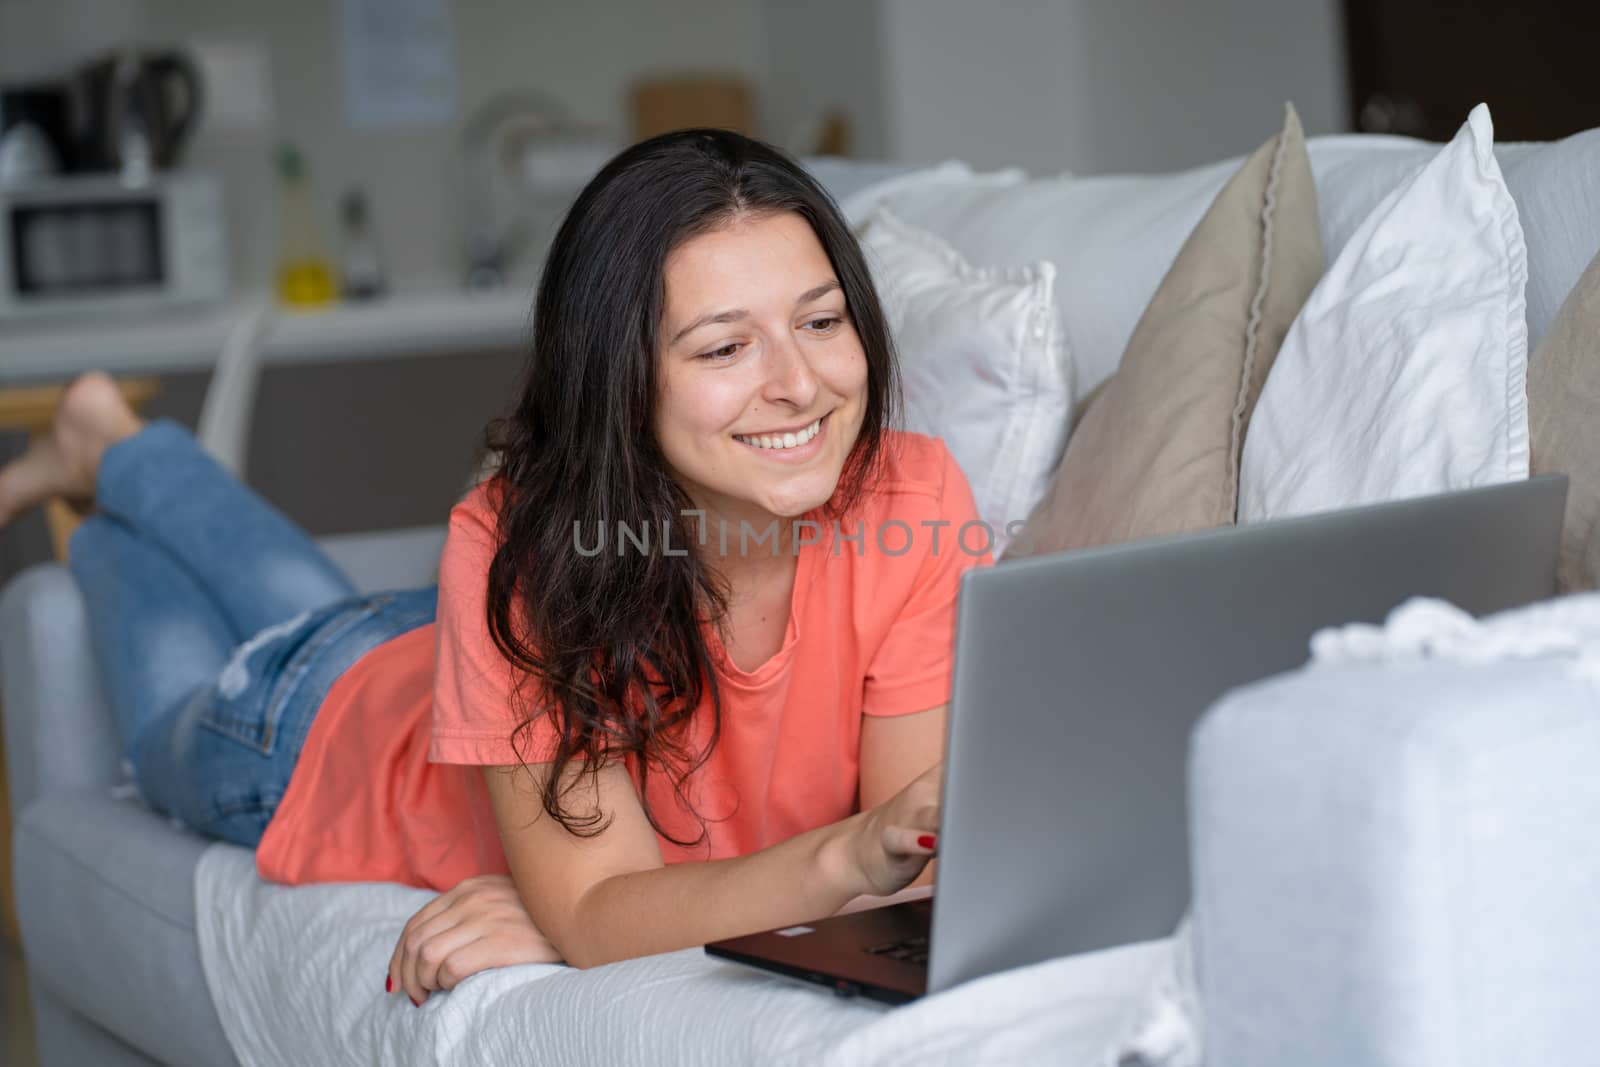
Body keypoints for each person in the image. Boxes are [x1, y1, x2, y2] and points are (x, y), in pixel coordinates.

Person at [0, 129, 992, 1008]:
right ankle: (105, 496)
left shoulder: (913, 499)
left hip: (450, 659)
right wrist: (597, 914)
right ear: (619, 378)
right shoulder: (523, 547)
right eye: (724, 345)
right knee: (166, 703)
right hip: (311, 724)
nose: (800, 382)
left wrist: (602, 910)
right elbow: (649, 900)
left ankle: (111, 447)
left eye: (821, 321)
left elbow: (910, 856)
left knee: (326, 607)